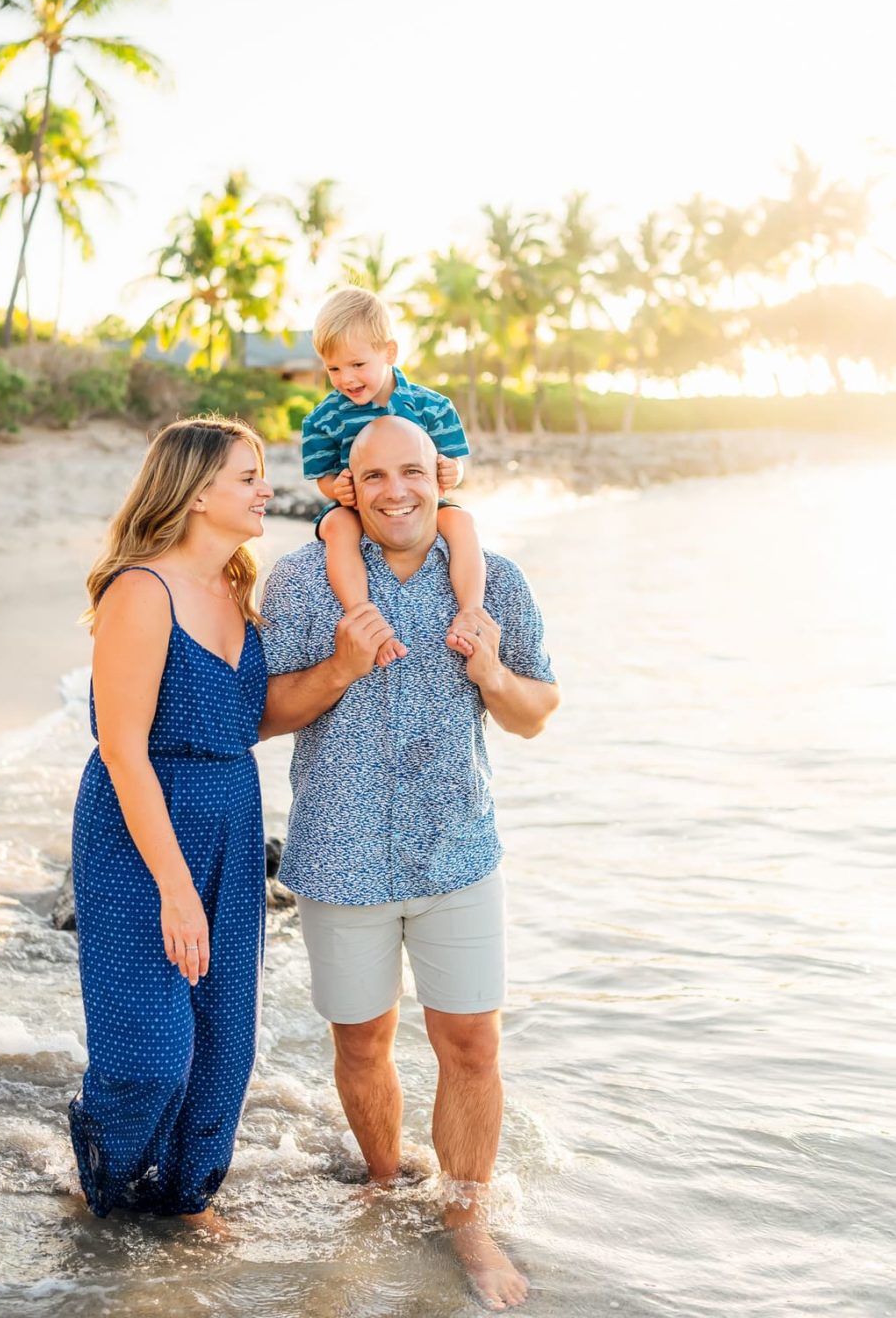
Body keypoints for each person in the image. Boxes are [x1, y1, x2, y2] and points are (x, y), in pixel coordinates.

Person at [260, 414, 560, 1310]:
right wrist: (342, 667)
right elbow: (266, 713)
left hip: (456, 852)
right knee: (363, 1042)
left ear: (441, 477)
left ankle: (467, 1220)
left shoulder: (493, 581)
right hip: (339, 856)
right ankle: (385, 1180)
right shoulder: (302, 583)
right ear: (347, 488)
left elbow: (537, 708)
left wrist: (496, 678)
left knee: (471, 1042)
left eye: (413, 473)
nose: (398, 491)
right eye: (376, 476)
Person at [68, 415, 274, 1229]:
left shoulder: (234, 586)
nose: (266, 488)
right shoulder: (139, 591)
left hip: (233, 817)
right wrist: (176, 889)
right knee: (153, 1057)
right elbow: (122, 749)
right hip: (138, 832)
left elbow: (242, 716)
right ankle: (106, 1194)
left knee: (225, 1054)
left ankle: (184, 1205)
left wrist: (343, 667)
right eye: (248, 476)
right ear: (194, 494)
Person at [302, 285, 485, 666]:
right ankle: (363, 615)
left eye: (356, 365)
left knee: (461, 520)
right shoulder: (323, 418)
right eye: (333, 369)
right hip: (356, 508)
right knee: (337, 528)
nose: (346, 379)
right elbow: (321, 476)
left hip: (417, 506)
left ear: (389, 352)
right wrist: (336, 488)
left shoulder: (431, 406)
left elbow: (453, 462)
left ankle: (470, 610)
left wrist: (454, 471)